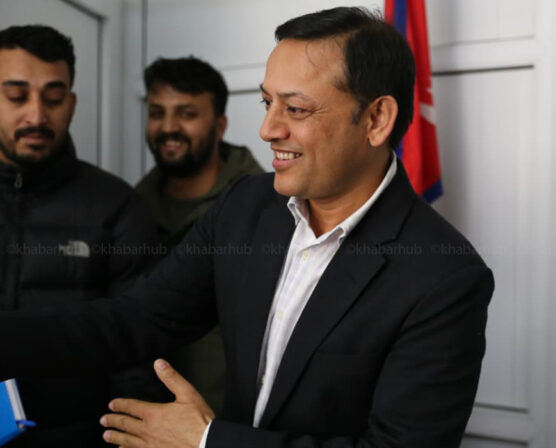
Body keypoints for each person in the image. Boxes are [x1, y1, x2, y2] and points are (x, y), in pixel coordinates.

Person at [0, 8, 494, 448]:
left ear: (377, 118)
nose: (267, 129)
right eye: (266, 103)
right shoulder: (247, 206)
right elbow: (135, 320)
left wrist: (207, 440)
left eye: (295, 109)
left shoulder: (445, 278)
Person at [0, 25, 158, 447]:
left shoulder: (116, 206)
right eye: (16, 96)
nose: (36, 116)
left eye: (53, 99)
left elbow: (137, 348)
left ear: (71, 104)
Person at [135, 56, 264, 412]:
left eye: (187, 114)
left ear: (219, 125)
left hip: (233, 420)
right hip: (147, 414)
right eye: (157, 113)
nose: (168, 127)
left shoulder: (267, 208)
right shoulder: (131, 207)